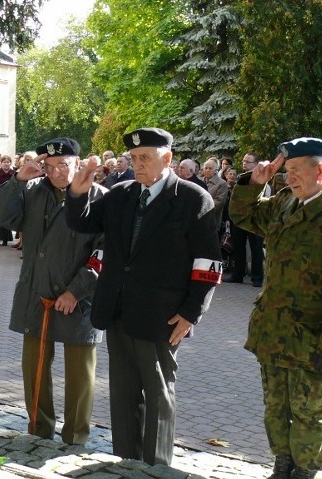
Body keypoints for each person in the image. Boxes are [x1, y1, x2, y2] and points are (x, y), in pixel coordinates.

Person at [65, 127, 221, 466]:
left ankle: (156, 466)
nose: (137, 164)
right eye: (134, 158)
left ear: (167, 159)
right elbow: (83, 224)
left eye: (144, 158)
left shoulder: (193, 199)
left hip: (162, 315)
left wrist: (192, 312)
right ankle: (126, 461)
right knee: (122, 393)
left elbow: (209, 263)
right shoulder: (120, 194)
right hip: (118, 309)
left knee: (158, 392)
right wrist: (77, 194)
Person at [229, 137, 322, 479]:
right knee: (275, 408)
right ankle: (282, 465)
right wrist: (255, 182)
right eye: (287, 171)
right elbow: (243, 215)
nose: (288, 178)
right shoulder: (284, 203)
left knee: (308, 413)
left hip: (313, 339)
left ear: (320, 170)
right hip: (274, 332)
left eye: (295, 170)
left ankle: (305, 471)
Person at [0, 138, 105, 445]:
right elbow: (2, 216)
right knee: (35, 368)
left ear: (78, 164)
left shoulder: (99, 198)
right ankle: (39, 429)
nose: (56, 173)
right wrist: (17, 179)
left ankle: (75, 436)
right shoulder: (31, 190)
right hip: (36, 292)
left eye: (63, 165)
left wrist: (76, 290)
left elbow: (104, 253)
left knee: (80, 374)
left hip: (78, 300)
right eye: (50, 166)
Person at [228, 152, 266, 287]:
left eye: (248, 162)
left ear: (256, 164)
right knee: (238, 247)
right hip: (239, 219)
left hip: (254, 218)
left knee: (256, 248)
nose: (244, 163)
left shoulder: (262, 178)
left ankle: (257, 277)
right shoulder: (240, 178)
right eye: (244, 161)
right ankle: (237, 275)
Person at [200, 158, 229, 228]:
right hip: (197, 221)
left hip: (212, 221)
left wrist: (201, 206)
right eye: (206, 168)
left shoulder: (222, 183)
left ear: (216, 170)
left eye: (210, 168)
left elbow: (219, 202)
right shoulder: (199, 181)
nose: (207, 170)